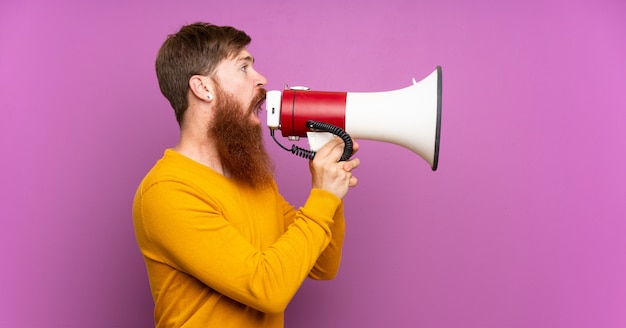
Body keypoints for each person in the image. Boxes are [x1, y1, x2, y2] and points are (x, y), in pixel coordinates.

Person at [132, 22, 360, 328]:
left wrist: (332, 187)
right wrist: (323, 196)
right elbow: (267, 288)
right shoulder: (167, 191)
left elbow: (322, 265)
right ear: (204, 88)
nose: (261, 79)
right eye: (243, 67)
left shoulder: (253, 179)